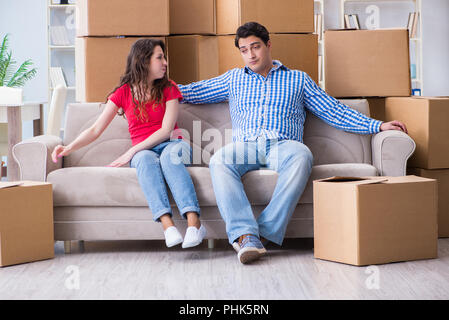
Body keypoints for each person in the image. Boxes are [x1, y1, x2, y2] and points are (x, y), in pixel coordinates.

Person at [178, 22, 408, 264]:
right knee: (220, 160)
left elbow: (333, 110)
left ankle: (263, 233)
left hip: (283, 145)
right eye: (244, 50)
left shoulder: (298, 79)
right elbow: (190, 92)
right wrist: (147, 87)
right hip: (246, 146)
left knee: (302, 155)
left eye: (255, 47)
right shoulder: (233, 79)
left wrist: (377, 126)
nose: (250, 55)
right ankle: (245, 235)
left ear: (268, 45)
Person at [51, 39, 206, 249]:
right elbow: (96, 129)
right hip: (145, 151)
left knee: (169, 159)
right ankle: (167, 226)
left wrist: (132, 150)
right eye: (160, 57)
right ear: (143, 61)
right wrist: (69, 147)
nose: (165, 63)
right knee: (143, 160)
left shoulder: (169, 88)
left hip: (173, 144)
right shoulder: (123, 93)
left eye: (164, 57)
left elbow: (166, 130)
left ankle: (194, 224)